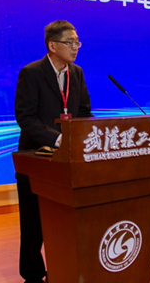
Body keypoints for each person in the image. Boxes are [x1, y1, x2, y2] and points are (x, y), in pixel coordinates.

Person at [14, 20, 93, 283]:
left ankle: (63, 270)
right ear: (52, 46)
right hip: (37, 158)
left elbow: (83, 112)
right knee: (33, 223)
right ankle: (33, 275)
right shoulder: (32, 73)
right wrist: (58, 138)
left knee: (64, 220)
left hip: (68, 161)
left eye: (77, 42)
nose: (75, 47)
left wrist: (88, 135)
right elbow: (26, 118)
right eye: (70, 42)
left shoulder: (77, 73)